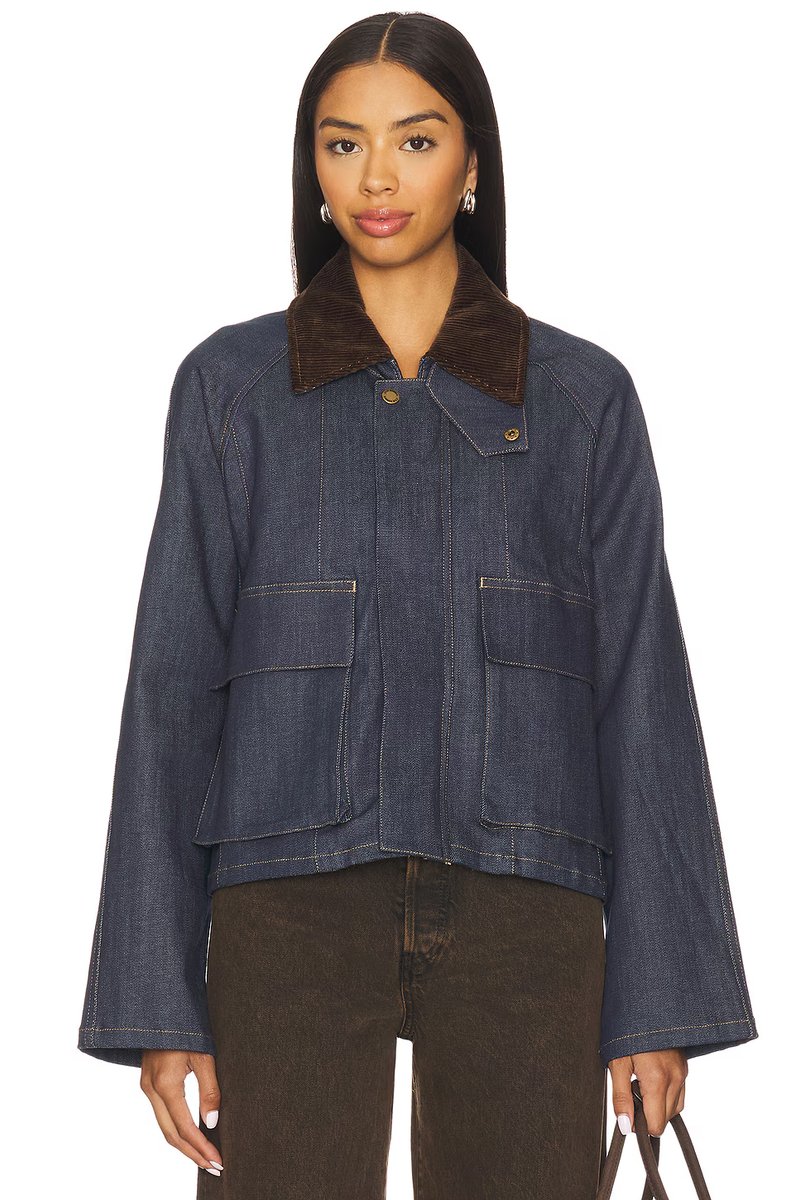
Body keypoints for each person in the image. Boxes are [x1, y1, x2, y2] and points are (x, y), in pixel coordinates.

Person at [77, 12, 758, 1198]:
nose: (376, 179)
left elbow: (639, 695)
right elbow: (169, 695)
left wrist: (656, 1004)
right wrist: (156, 1001)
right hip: (285, 905)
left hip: (525, 905)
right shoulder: (231, 391)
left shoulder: (580, 400)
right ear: (312, 168)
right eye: (341, 145)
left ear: (473, 162)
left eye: (416, 140)